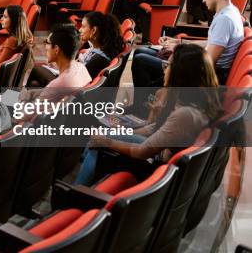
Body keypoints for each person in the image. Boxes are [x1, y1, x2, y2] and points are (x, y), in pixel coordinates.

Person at [75, 44, 222, 185]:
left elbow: (143, 152)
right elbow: (154, 129)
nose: (164, 70)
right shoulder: (193, 101)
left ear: (181, 74)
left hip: (157, 168)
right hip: (159, 157)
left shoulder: (186, 114)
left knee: (98, 146)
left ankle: (75, 195)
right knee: (104, 134)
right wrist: (120, 131)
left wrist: (106, 142)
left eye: (168, 65)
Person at [132, 0, 244, 87]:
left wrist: (179, 52)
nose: (203, 0)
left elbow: (208, 61)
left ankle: (148, 100)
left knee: (140, 60)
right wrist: (179, 42)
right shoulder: (228, 11)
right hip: (207, 69)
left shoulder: (225, 19)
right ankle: (153, 94)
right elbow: (211, 43)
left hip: (211, 75)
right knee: (140, 52)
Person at [27, 12, 124, 86]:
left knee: (36, 70)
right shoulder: (96, 51)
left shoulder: (98, 59)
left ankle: (13, 100)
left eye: (83, 26)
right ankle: (15, 99)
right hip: (71, 87)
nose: (80, 30)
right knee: (34, 84)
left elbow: (77, 80)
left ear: (93, 31)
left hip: (70, 92)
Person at [18, 24, 92, 119]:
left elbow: (21, 117)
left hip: (29, 127)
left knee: (6, 97)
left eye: (47, 43)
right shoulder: (81, 68)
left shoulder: (57, 84)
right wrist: (27, 94)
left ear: (56, 49)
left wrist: (14, 102)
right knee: (28, 87)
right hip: (65, 119)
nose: (45, 47)